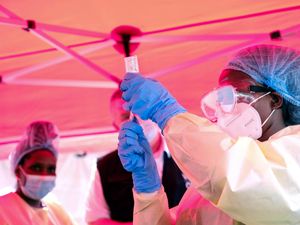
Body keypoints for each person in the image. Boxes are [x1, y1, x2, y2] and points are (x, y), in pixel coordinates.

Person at [118, 44, 300, 225]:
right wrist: (148, 192)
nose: (222, 109)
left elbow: (241, 182)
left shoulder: (294, 153)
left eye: (232, 95)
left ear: (274, 100)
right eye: (220, 99)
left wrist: (165, 111)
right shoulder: (205, 190)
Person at [85, 89, 187, 225]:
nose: (137, 120)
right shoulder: (105, 167)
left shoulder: (184, 153)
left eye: (142, 112)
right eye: (126, 116)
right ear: (116, 126)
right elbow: (95, 219)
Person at [0, 120, 76, 225]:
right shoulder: (3, 209)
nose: (44, 175)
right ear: (18, 171)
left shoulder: (55, 209)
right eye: (36, 168)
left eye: (51, 169)